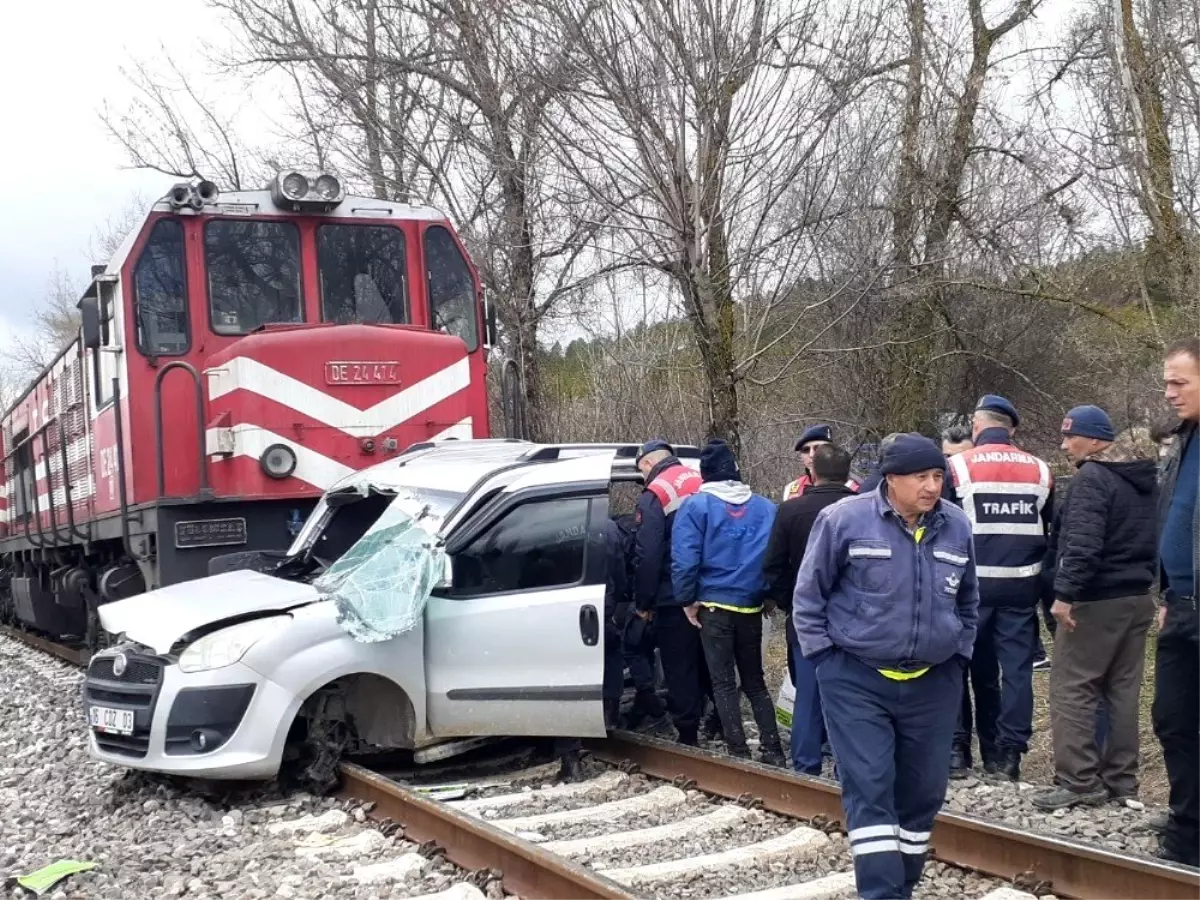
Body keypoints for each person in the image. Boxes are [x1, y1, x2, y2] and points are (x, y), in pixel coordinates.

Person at [794, 433, 978, 900]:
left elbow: (969, 601)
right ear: (891, 479)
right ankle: (882, 894)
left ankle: (903, 887)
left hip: (934, 682)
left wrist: (959, 655)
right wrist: (825, 660)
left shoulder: (956, 526)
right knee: (871, 787)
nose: (932, 486)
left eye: (938, 476)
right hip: (856, 679)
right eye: (921, 477)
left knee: (923, 794)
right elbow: (809, 596)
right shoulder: (842, 519)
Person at [1031, 408, 1158, 811]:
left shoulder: (1093, 477)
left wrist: (1064, 595)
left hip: (1095, 600)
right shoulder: (1144, 477)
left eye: (1072, 437)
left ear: (1096, 439)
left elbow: (1082, 545)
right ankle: (1122, 782)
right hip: (1137, 597)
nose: (1066, 445)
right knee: (1122, 691)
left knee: (1072, 688)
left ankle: (1079, 781)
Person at [946, 395, 1052, 781]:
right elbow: (1050, 530)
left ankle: (958, 751)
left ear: (976, 427)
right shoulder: (1041, 471)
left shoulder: (957, 466)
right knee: (1017, 673)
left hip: (969, 590)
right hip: (1021, 591)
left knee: (959, 668)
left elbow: (942, 526)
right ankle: (1007, 756)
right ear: (1012, 429)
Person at [672, 438, 786, 765]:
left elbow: (685, 560)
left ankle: (737, 751)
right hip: (751, 607)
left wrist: (687, 600)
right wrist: (769, 596)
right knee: (755, 682)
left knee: (723, 683)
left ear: (705, 474)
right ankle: (774, 750)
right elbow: (776, 558)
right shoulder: (766, 507)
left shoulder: (694, 507)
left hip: (713, 607)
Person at [763, 444, 856, 774]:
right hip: (855, 619)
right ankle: (848, 765)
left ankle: (806, 766)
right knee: (852, 696)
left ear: (812, 472)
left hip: (806, 619)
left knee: (808, 694)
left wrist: (790, 603)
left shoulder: (791, 511)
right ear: (848, 474)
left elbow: (773, 567)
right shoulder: (863, 510)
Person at [1153, 338, 1200, 866]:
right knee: (1172, 718)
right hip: (1180, 602)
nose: (1169, 393)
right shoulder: (1182, 441)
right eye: (1167, 382)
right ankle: (1188, 832)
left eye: (1179, 382)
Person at [631, 439, 705, 745]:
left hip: (674, 595)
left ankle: (688, 736)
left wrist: (643, 603)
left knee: (680, 665)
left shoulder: (656, 493)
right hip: (715, 589)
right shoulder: (703, 480)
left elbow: (648, 554)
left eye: (640, 472)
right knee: (711, 661)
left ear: (647, 464)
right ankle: (725, 725)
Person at [783, 424, 860, 501]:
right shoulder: (792, 488)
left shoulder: (854, 487)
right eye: (806, 450)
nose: (811, 455)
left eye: (818, 448)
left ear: (832, 451)